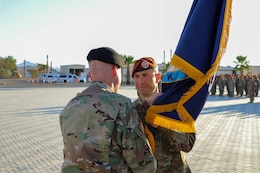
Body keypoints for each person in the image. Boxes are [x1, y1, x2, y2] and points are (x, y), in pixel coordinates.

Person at [59, 47, 157, 173]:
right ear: (115, 71)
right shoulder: (122, 105)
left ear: (90, 75)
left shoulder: (69, 107)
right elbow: (143, 165)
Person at [132, 57, 196, 173]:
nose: (141, 81)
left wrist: (163, 123)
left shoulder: (175, 107)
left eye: (145, 75)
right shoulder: (131, 110)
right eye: (137, 76)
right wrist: (145, 107)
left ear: (157, 77)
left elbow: (188, 144)